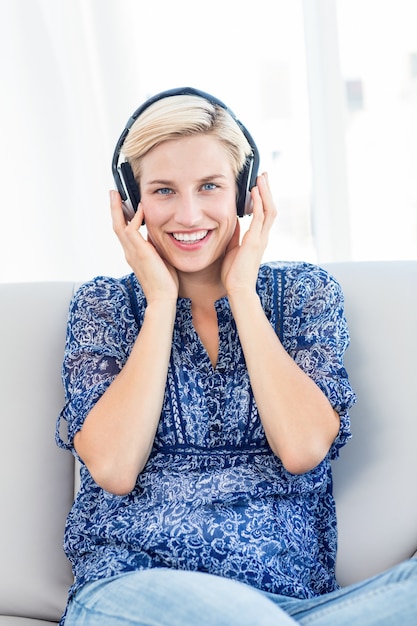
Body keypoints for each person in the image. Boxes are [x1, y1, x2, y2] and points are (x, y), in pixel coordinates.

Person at [56, 87, 417, 625]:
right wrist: (159, 303)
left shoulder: (303, 295)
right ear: (132, 203)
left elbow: (301, 449)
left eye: (209, 186)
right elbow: (111, 467)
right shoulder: (103, 307)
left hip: (295, 607)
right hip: (134, 594)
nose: (188, 213)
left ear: (246, 193)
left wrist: (243, 293)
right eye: (162, 191)